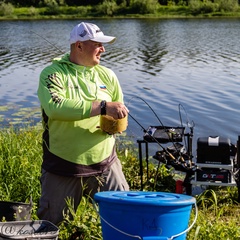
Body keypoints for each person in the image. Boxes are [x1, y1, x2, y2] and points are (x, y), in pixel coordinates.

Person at [37, 22, 129, 225]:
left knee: (124, 220)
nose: (103, 49)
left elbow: (118, 109)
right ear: (79, 46)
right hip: (63, 165)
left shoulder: (108, 75)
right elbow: (55, 107)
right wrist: (103, 107)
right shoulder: (52, 74)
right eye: (97, 44)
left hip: (106, 163)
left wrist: (116, 122)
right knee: (52, 227)